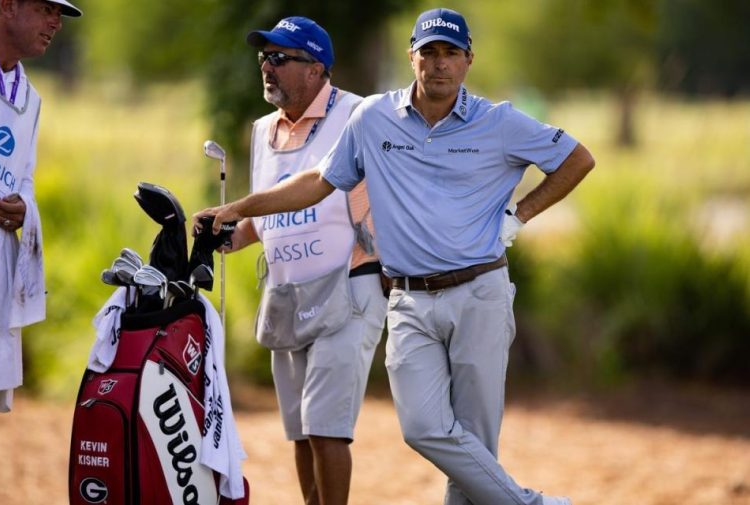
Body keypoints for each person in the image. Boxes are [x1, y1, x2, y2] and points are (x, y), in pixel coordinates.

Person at [195, 8, 594, 505]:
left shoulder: (500, 121)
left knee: (473, 438)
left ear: (469, 60)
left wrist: (520, 215)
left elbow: (577, 158)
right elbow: (318, 183)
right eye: (429, 53)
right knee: (424, 428)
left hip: (480, 293)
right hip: (408, 299)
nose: (439, 64)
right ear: (412, 57)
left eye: (451, 53)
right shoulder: (374, 117)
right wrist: (239, 208)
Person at [218, 16, 387, 505]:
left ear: (316, 68)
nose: (267, 69)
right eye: (264, 58)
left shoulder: (358, 115)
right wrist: (226, 236)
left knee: (326, 427)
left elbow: (319, 185)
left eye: (280, 58)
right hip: (288, 293)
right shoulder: (261, 130)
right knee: (299, 430)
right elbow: (264, 216)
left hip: (351, 283)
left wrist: (240, 210)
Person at [0, 0, 82, 413]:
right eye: (47, 9)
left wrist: (26, 209)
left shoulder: (31, 99)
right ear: (8, 5)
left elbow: (24, 175)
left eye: (60, 14)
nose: (56, 23)